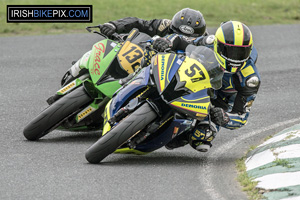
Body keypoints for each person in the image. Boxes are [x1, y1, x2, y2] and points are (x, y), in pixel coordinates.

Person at [165, 21, 261, 152]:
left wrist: (225, 117)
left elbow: (242, 115)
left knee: (202, 138)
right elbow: (180, 40)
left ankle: (179, 133)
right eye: (230, 50)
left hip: (217, 102)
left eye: (240, 53)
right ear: (218, 44)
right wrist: (167, 43)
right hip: (193, 79)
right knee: (153, 56)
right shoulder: (208, 41)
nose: (234, 57)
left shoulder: (250, 78)